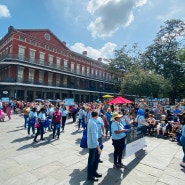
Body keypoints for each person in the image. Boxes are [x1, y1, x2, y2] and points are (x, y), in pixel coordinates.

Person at [87, 110, 102, 182]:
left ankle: (94, 172)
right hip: (93, 145)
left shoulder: (91, 121)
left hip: (92, 144)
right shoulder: (93, 123)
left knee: (95, 159)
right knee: (91, 160)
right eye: (98, 115)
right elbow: (94, 137)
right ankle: (90, 175)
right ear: (96, 115)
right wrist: (98, 147)